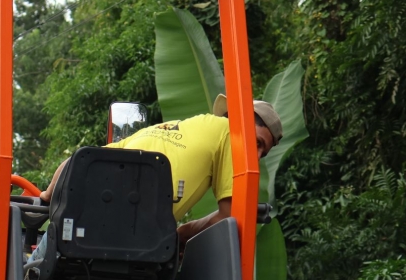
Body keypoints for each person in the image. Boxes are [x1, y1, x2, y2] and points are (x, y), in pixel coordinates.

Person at [40, 96, 283, 243]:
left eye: (263, 153)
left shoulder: (159, 130)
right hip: (131, 239)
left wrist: (45, 196)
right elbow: (231, 216)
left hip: (80, 230)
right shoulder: (233, 134)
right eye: (258, 143)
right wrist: (182, 234)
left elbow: (76, 161)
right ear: (241, 122)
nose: (256, 156)